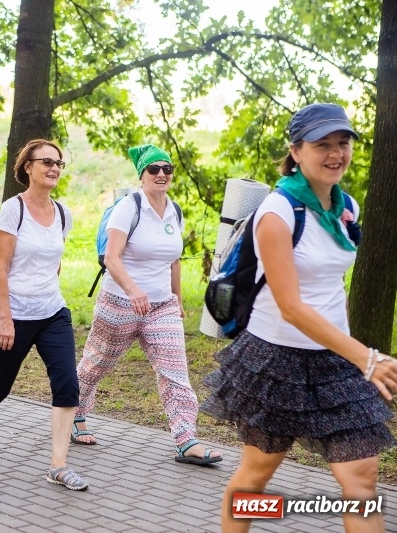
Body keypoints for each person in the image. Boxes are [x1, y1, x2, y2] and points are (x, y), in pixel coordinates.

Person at [202, 103, 397, 533]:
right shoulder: (278, 212)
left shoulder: (347, 208)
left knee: (361, 476)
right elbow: (291, 307)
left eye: (342, 143)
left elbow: (331, 287)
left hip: (335, 360)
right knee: (256, 478)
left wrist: (349, 350)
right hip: (276, 360)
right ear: (296, 150)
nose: (335, 153)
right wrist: (367, 357)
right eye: (322, 144)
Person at [72, 144, 223, 466]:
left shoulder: (175, 211)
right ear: (141, 175)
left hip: (161, 307)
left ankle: (187, 440)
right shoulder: (129, 207)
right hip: (120, 302)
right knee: (96, 364)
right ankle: (75, 414)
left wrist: (177, 299)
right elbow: (111, 257)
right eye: (153, 169)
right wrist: (133, 291)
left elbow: (174, 260)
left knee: (175, 373)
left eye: (167, 168)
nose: (161, 174)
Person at [0, 140, 88, 491]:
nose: (54, 168)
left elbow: (54, 262)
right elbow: (0, 269)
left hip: (52, 311)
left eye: (59, 162)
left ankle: (58, 465)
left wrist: (47, 291)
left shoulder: (63, 213)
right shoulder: (12, 210)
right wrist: (6, 318)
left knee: (67, 385)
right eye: (46, 161)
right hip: (14, 313)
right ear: (27, 167)